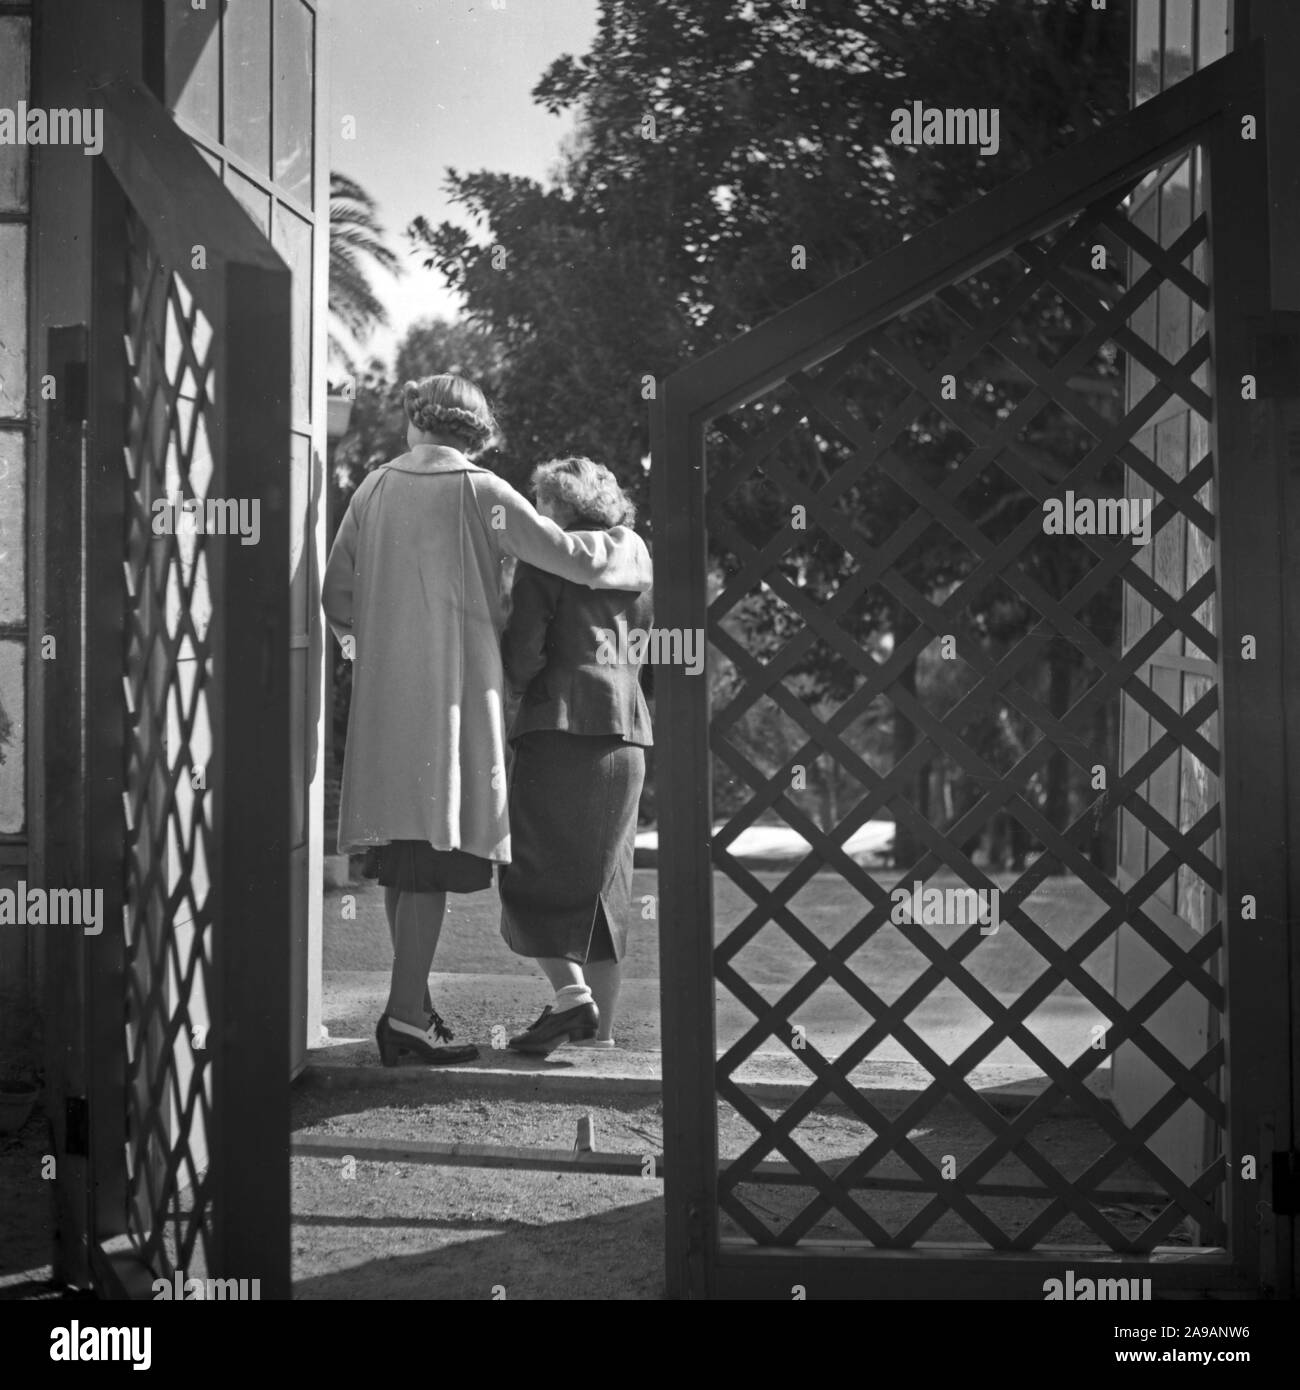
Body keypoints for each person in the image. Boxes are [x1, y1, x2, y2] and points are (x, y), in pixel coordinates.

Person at [322, 378, 652, 1066]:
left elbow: (338, 596)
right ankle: (405, 1019)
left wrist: (375, 641)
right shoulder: (484, 493)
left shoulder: (371, 491)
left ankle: (409, 1011)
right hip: (454, 704)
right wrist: (629, 545)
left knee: (400, 859)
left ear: (417, 421)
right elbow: (570, 556)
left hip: (385, 705)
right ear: (478, 431)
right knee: (431, 858)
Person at [499, 458, 653, 1055]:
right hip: (627, 734)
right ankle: (598, 1039)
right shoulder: (642, 566)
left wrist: (506, 687)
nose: (536, 515)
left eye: (541, 504)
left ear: (561, 508)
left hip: (558, 728)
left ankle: (571, 1000)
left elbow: (524, 656)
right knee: (605, 892)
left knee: (525, 871)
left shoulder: (546, 562)